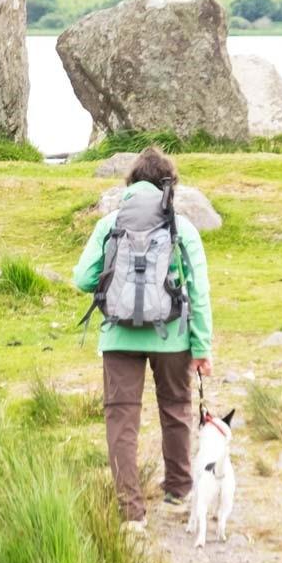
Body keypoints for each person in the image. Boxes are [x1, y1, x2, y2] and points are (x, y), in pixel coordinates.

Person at [71, 146, 213, 533]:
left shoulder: (111, 223)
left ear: (131, 183)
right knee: (175, 408)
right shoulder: (181, 227)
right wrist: (202, 348)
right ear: (170, 185)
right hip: (172, 337)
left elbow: (82, 278)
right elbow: (198, 292)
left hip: (118, 336)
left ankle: (131, 512)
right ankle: (179, 492)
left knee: (122, 420)